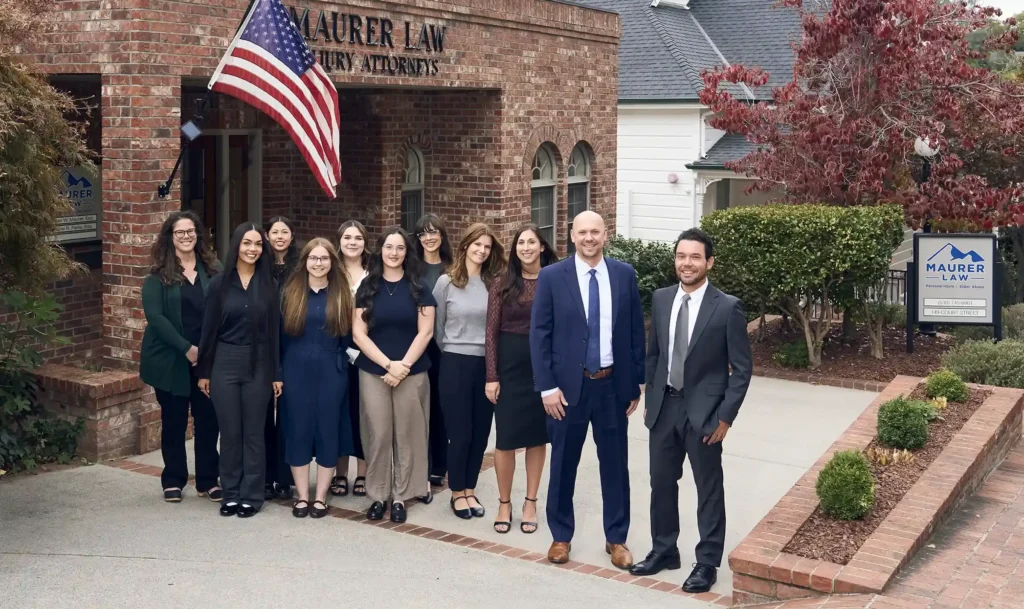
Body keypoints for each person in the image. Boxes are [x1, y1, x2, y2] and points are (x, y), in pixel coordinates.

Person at [629, 228, 753, 593]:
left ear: (709, 262)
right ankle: (664, 550)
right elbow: (655, 355)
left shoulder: (727, 307)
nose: (687, 263)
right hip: (665, 408)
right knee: (661, 484)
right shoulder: (663, 298)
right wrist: (652, 400)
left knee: (708, 489)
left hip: (705, 414)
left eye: (695, 257)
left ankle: (707, 561)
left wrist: (725, 417)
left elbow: (742, 369)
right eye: (682, 256)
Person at [529, 210, 645, 569]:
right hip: (566, 391)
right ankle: (560, 537)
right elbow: (539, 335)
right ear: (572, 235)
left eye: (595, 231)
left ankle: (617, 538)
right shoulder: (551, 276)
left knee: (615, 466)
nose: (589, 238)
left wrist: (636, 383)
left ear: (605, 234)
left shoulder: (624, 275)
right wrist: (547, 387)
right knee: (563, 464)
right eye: (583, 232)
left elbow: (635, 331)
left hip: (612, 387)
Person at [197, 223, 283, 518]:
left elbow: (275, 333)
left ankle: (252, 494)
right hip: (225, 361)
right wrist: (204, 372)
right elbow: (207, 331)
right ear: (237, 245)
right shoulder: (219, 285)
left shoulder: (269, 285)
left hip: (260, 362)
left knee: (254, 432)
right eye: (247, 243)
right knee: (230, 432)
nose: (252, 249)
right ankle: (231, 493)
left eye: (258, 244)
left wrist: (276, 373)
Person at [352, 227, 436, 523]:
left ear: (406, 252)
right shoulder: (368, 287)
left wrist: (403, 366)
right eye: (389, 247)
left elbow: (426, 331)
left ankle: (400, 496)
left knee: (408, 434)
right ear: (381, 250)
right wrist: (389, 365)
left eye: (400, 248)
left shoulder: (419, 286)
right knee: (378, 434)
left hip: (411, 372)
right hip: (375, 370)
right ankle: (377, 495)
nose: (394, 253)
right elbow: (359, 334)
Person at [140, 211, 221, 503]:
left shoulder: (213, 270)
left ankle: (208, 480)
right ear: (170, 237)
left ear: (198, 236)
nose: (186, 237)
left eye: (191, 232)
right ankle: (173, 479)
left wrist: (206, 352)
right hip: (170, 359)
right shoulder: (157, 275)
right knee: (174, 421)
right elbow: (156, 318)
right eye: (180, 232)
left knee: (208, 421)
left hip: (207, 360)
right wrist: (187, 349)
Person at [485, 224, 557, 533]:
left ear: (542, 246)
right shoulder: (502, 283)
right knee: (506, 439)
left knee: (537, 437)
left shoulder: (555, 280)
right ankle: (504, 503)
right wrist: (492, 375)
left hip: (544, 368)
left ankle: (530, 501)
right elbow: (490, 331)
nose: (525, 247)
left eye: (531, 242)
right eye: (520, 243)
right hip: (510, 368)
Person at [433, 222, 505, 520]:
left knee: (480, 432)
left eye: (487, 247)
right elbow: (437, 329)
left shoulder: (494, 283)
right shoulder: (446, 283)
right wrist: (454, 350)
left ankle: (470, 488)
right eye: (477, 244)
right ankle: (456, 491)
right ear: (465, 246)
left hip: (486, 366)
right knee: (459, 432)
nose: (482, 250)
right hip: (454, 363)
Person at [279, 238, 354, 519]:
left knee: (327, 429)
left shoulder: (342, 294)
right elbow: (280, 338)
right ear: (305, 261)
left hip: (332, 371)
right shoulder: (291, 293)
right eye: (313, 258)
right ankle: (302, 496)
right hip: (296, 369)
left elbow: (351, 338)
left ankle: (320, 496)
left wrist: (344, 364)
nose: (318, 263)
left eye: (324, 258)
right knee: (297, 429)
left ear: (332, 263)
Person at [332, 220, 370, 499]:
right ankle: (339, 473)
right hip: (335, 348)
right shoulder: (332, 272)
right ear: (339, 241)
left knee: (364, 412)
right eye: (347, 237)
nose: (353, 242)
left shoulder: (373, 274)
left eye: (358, 238)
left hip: (366, 351)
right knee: (339, 413)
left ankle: (364, 473)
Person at [414, 213, 452, 488]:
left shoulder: (453, 267)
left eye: (434, 232)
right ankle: (420, 464)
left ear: (442, 235)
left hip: (445, 348)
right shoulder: (410, 269)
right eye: (423, 234)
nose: (429, 238)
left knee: (441, 408)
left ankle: (440, 463)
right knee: (417, 409)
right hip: (416, 346)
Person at [264, 216, 299, 500]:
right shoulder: (258, 264)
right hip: (263, 342)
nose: (279, 236)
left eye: (284, 231)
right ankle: (265, 475)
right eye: (274, 231)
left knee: (287, 413)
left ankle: (285, 477)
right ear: (267, 235)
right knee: (263, 413)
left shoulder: (300, 267)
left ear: (291, 235)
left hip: (291, 340)